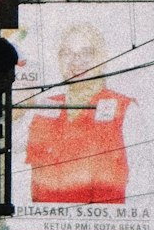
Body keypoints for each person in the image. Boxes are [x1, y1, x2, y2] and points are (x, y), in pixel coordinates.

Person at [25, 23, 134, 204]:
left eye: (86, 53)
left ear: (102, 58)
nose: (76, 61)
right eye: (67, 53)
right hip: (47, 226)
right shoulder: (44, 108)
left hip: (105, 226)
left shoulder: (124, 109)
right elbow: (16, 163)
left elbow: (141, 181)